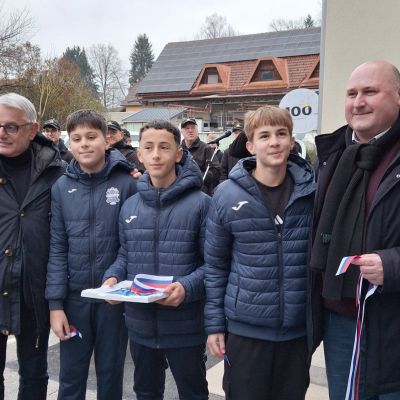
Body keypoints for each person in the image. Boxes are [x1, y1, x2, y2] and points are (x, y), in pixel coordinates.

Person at [205, 105, 315, 400]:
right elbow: (215, 265)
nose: (274, 142)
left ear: (292, 141)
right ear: (251, 146)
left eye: (281, 134)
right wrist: (214, 325)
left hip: (296, 332)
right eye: (264, 136)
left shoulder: (312, 193)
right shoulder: (226, 195)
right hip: (246, 332)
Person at [309, 60, 400, 400]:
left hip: (391, 323)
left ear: (398, 97)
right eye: (351, 94)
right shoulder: (332, 155)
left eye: (370, 92)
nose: (358, 102)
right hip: (339, 322)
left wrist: (393, 265)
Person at [103, 119, 210, 400]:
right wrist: (112, 278)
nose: (156, 155)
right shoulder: (130, 206)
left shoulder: (201, 204)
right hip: (140, 325)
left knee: (193, 393)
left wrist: (187, 287)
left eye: (164, 147)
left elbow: (214, 265)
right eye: (148, 148)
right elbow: (125, 254)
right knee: (146, 392)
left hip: (186, 325)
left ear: (179, 153)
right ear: (139, 154)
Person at [45, 109, 137, 399]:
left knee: (111, 375)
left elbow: (130, 244)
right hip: (75, 300)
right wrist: (55, 305)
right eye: (77, 138)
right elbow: (57, 247)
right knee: (71, 378)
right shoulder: (61, 187)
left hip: (114, 301)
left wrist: (119, 282)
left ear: (106, 140)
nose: (84, 144)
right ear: (69, 143)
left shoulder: (128, 183)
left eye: (91, 136)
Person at [0, 93, 65, 400]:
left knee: (34, 375)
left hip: (33, 292)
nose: (2, 133)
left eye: (11, 127)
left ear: (32, 129)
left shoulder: (57, 172)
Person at [181, 117, 220, 195]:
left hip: (200, 192)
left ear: (197, 130)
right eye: (187, 128)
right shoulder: (178, 150)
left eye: (193, 128)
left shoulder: (206, 149)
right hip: (180, 192)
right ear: (182, 131)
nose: (190, 130)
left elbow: (216, 172)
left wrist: (195, 174)